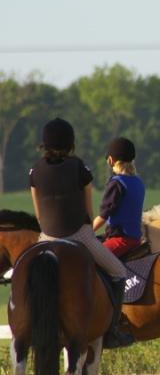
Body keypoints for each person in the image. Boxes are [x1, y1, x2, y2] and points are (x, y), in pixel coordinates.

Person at [29, 118, 133, 348]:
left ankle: (28, 326)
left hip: (46, 237)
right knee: (118, 272)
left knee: (24, 274)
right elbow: (88, 211)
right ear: (70, 143)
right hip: (79, 235)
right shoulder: (80, 168)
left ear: (44, 144)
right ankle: (113, 329)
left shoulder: (34, 171)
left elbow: (39, 214)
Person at [92, 137, 145, 257]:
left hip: (121, 240)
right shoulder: (138, 182)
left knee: (89, 257)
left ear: (110, 160)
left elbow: (103, 216)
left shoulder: (117, 184)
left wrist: (87, 233)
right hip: (136, 239)